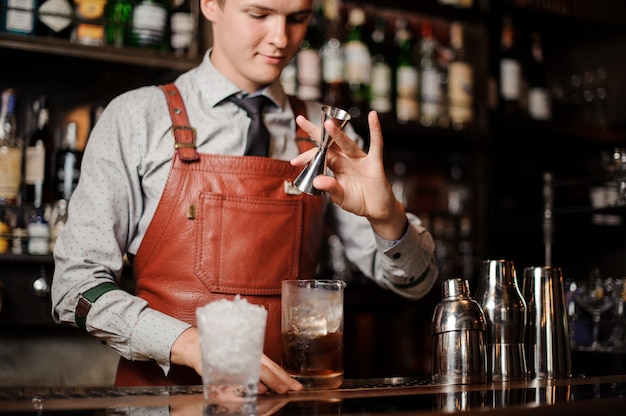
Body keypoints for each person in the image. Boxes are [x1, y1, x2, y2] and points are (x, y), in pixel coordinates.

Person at [51, 0, 438, 394]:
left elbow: (417, 283)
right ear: (210, 6)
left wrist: (387, 216)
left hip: (288, 401)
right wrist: (190, 344)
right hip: (160, 403)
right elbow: (75, 286)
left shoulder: (327, 138)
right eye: (259, 15)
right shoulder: (138, 117)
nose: (280, 38)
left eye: (298, 19)